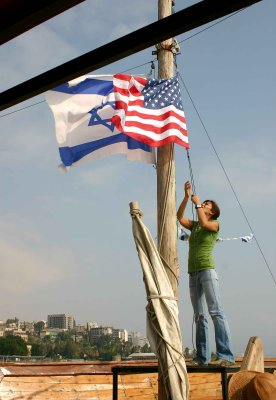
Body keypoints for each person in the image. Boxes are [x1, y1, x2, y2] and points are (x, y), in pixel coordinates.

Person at [177, 181, 235, 366]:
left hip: (207, 271)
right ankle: (202, 358)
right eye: (204, 203)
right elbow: (179, 217)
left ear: (212, 212)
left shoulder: (214, 224)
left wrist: (197, 203)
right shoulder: (195, 226)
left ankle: (225, 356)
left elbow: (203, 220)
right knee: (199, 315)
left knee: (215, 311)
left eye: (207, 205)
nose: (204, 205)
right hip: (193, 273)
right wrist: (187, 197)